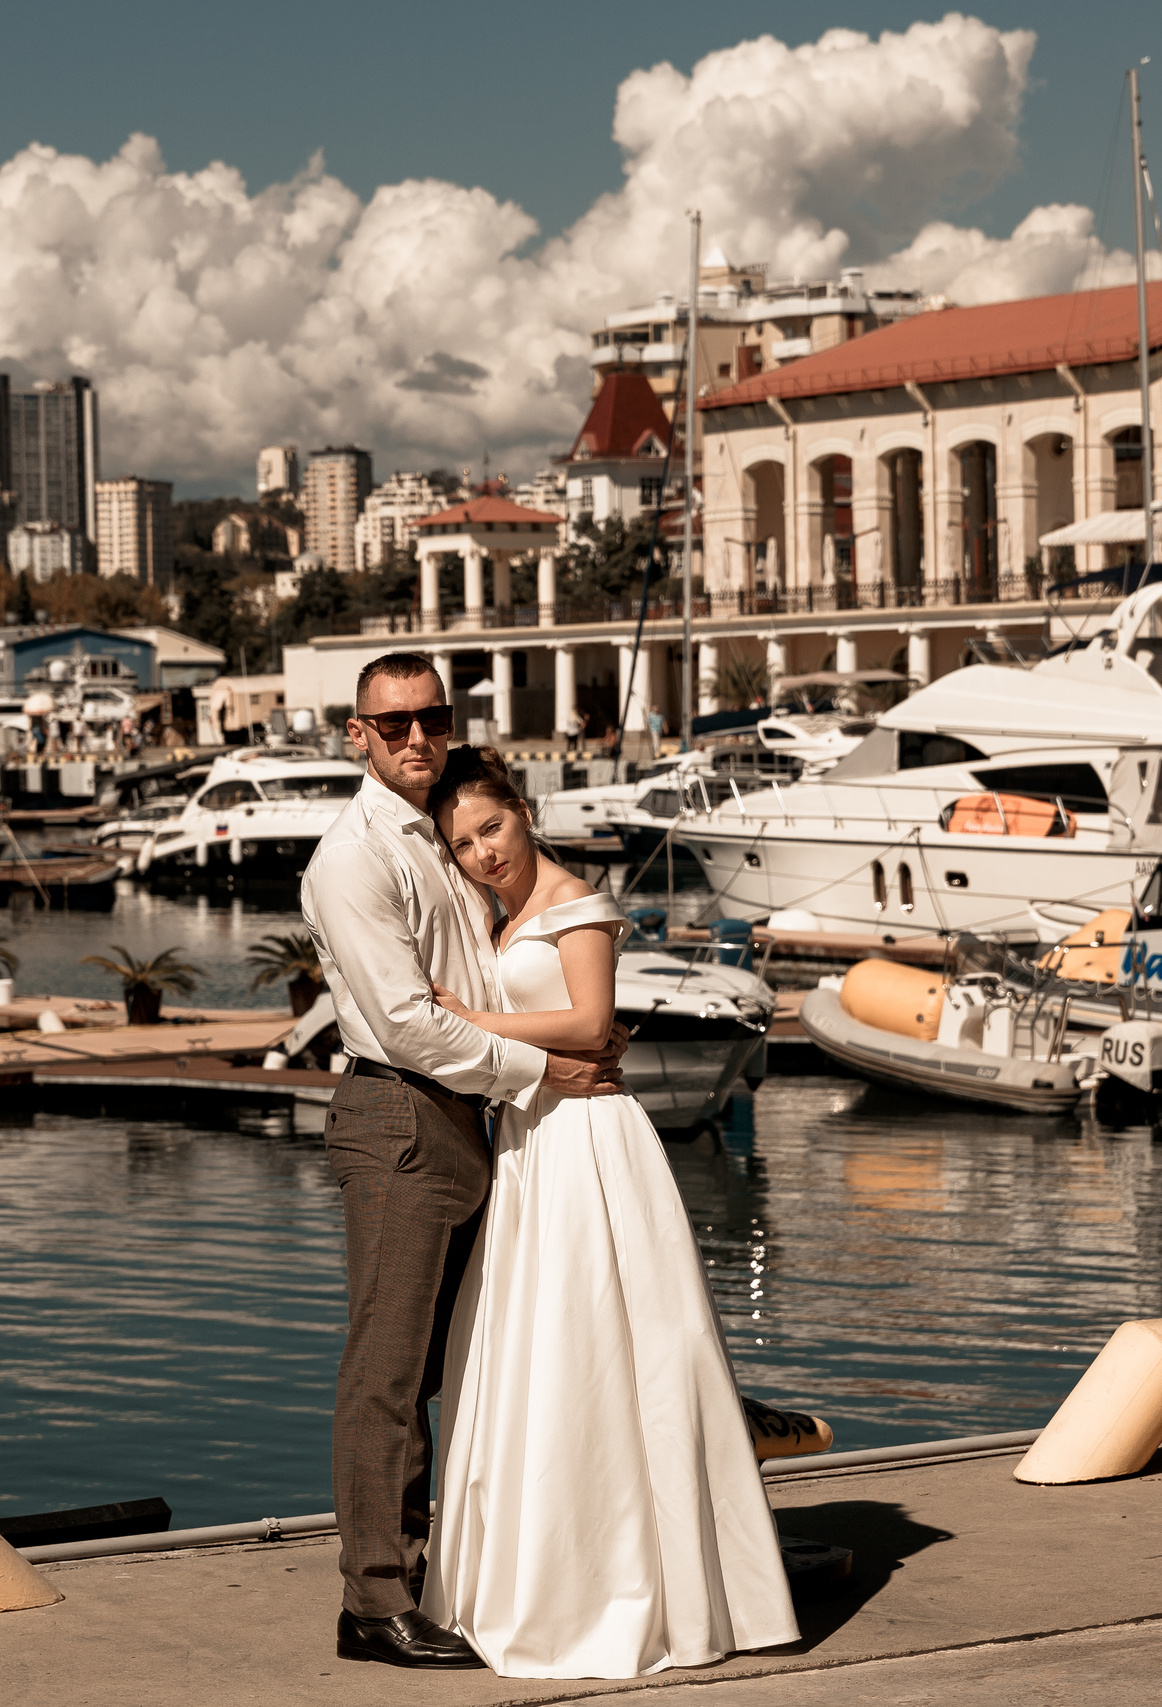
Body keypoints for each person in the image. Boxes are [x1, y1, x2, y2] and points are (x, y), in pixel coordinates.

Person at [417, 745, 799, 1679]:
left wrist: (467, 1018)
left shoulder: (581, 905)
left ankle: (638, 1586)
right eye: (462, 843)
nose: (482, 853)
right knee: (535, 1353)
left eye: (491, 827)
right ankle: (540, 1573)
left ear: (523, 808)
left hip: (590, 1141)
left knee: (613, 1346)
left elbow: (592, 1026)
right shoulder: (496, 914)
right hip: (530, 1145)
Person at [299, 652, 629, 1671]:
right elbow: (404, 1025)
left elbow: (499, 956)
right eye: (389, 724)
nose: (412, 738)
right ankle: (375, 1600)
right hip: (399, 1115)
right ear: (355, 734)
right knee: (389, 1374)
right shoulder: (353, 859)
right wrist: (543, 1068)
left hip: (464, 1118)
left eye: (428, 719)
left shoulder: (445, 833)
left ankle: (468, 1566)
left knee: (473, 1360)